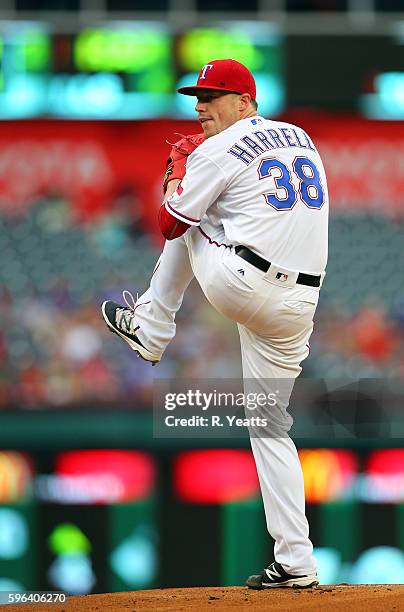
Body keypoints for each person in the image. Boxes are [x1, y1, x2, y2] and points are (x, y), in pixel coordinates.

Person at [102, 59, 328, 589]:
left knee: (185, 218)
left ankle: (151, 328)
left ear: (246, 102)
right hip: (299, 303)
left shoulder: (218, 147)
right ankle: (297, 562)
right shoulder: (299, 135)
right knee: (272, 427)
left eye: (214, 96)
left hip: (245, 285)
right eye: (197, 96)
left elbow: (167, 223)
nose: (200, 106)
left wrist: (180, 168)